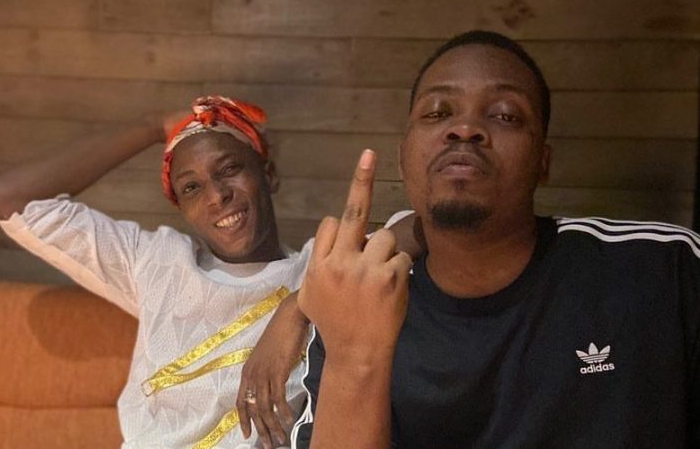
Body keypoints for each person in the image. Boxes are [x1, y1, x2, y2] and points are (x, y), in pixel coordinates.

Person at [291, 30, 700, 448]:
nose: (465, 128)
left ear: (543, 162)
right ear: (402, 158)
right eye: (437, 113)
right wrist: (354, 358)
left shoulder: (667, 272)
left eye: (505, 115)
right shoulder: (356, 306)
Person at [0, 96, 344, 449]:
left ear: (268, 174)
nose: (216, 196)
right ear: (181, 207)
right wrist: (153, 126)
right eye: (191, 187)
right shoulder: (157, 262)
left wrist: (296, 306)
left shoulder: (318, 270)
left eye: (229, 170)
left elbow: (386, 240)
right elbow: (10, 198)